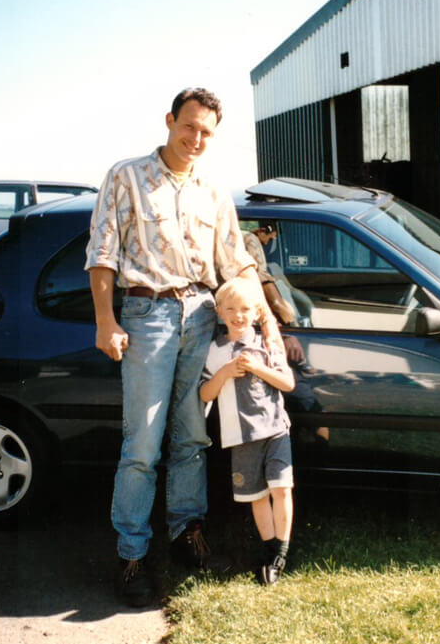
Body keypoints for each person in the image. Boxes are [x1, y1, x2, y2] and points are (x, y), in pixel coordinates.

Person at [85, 87, 279, 607]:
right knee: (143, 445)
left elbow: (236, 260)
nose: (196, 139)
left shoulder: (214, 190)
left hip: (201, 316)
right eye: (189, 126)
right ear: (170, 120)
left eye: (207, 133)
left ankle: (185, 535)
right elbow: (102, 253)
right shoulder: (125, 176)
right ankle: (132, 555)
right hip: (146, 315)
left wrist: (272, 324)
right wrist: (106, 321)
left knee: (192, 437)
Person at [199, 277, 295, 586]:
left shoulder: (267, 343)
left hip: (276, 428)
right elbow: (204, 394)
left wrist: (256, 368)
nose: (238, 316)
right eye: (231, 309)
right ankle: (269, 549)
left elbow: (287, 383)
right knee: (257, 495)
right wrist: (226, 372)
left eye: (245, 309)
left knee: (281, 488)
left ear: (256, 312)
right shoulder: (215, 351)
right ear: (220, 312)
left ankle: (281, 551)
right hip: (241, 436)